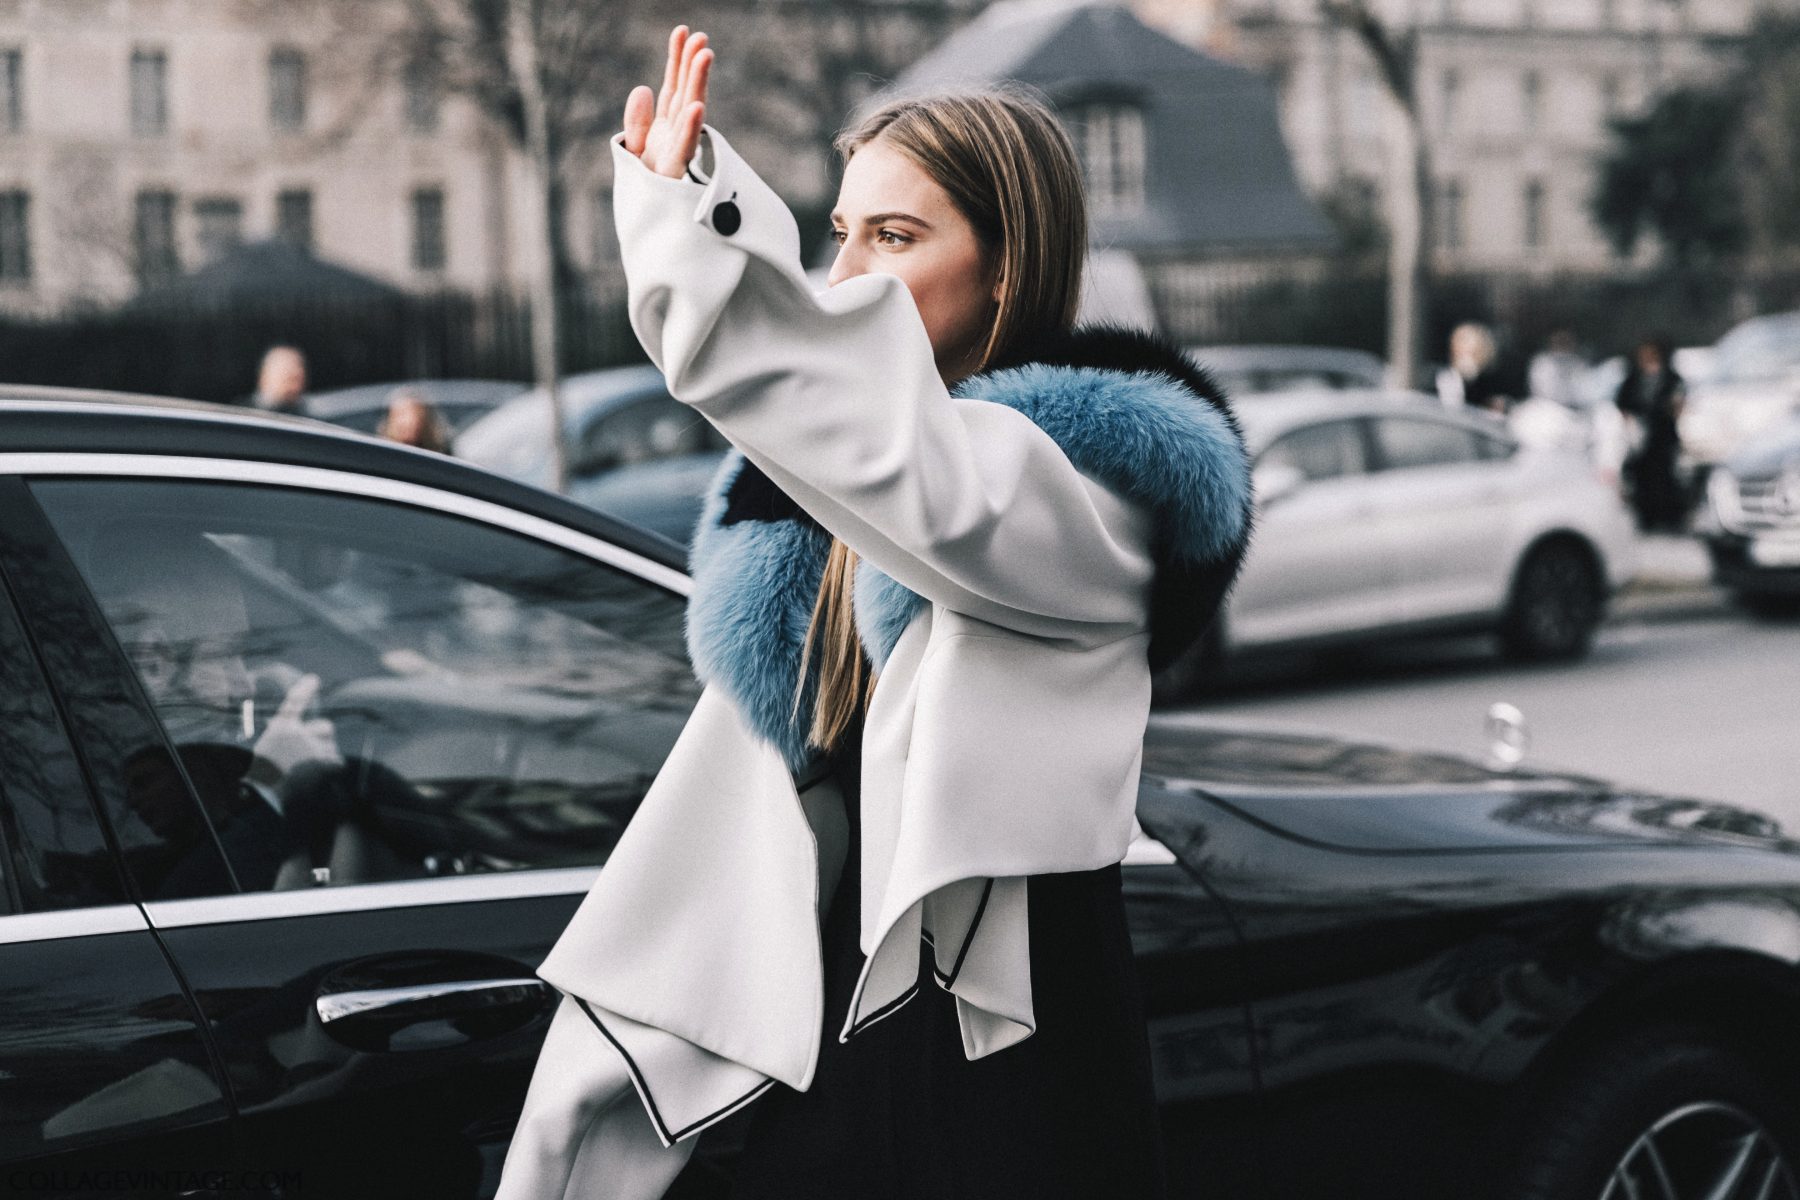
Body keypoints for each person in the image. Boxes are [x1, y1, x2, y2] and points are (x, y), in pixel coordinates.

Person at [492, 25, 1253, 1200]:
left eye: (896, 236)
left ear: (1007, 266)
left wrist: (684, 227)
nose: (846, 274)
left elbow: (883, 444)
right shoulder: (829, 503)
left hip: (1007, 1036)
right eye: (839, 232)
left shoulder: (1091, 483)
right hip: (831, 1035)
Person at [1613, 333, 1688, 532]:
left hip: (1663, 437)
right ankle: (1647, 519)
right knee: (1643, 480)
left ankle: (1668, 519)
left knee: (1665, 479)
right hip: (1641, 439)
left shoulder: (1670, 377)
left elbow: (1678, 403)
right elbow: (1622, 402)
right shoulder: (1633, 378)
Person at [1436, 321, 1510, 414]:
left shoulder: (1490, 385)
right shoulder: (1441, 379)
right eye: (1458, 343)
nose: (1461, 349)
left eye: (1466, 343)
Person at [376, 387, 452, 453]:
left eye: (416, 415)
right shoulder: (381, 454)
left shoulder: (440, 457)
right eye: (401, 414)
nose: (408, 421)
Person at [1528, 329, 1587, 408]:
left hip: (1574, 409)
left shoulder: (1578, 363)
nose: (1563, 343)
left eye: (1566, 340)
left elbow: (1585, 391)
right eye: (1560, 340)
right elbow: (1542, 391)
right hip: (1544, 408)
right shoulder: (1541, 362)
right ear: (1551, 341)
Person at [249, 344, 309, 415]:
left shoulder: (312, 415)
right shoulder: (243, 412)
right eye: (288, 378)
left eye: (296, 379)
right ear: (264, 377)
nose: (295, 372)